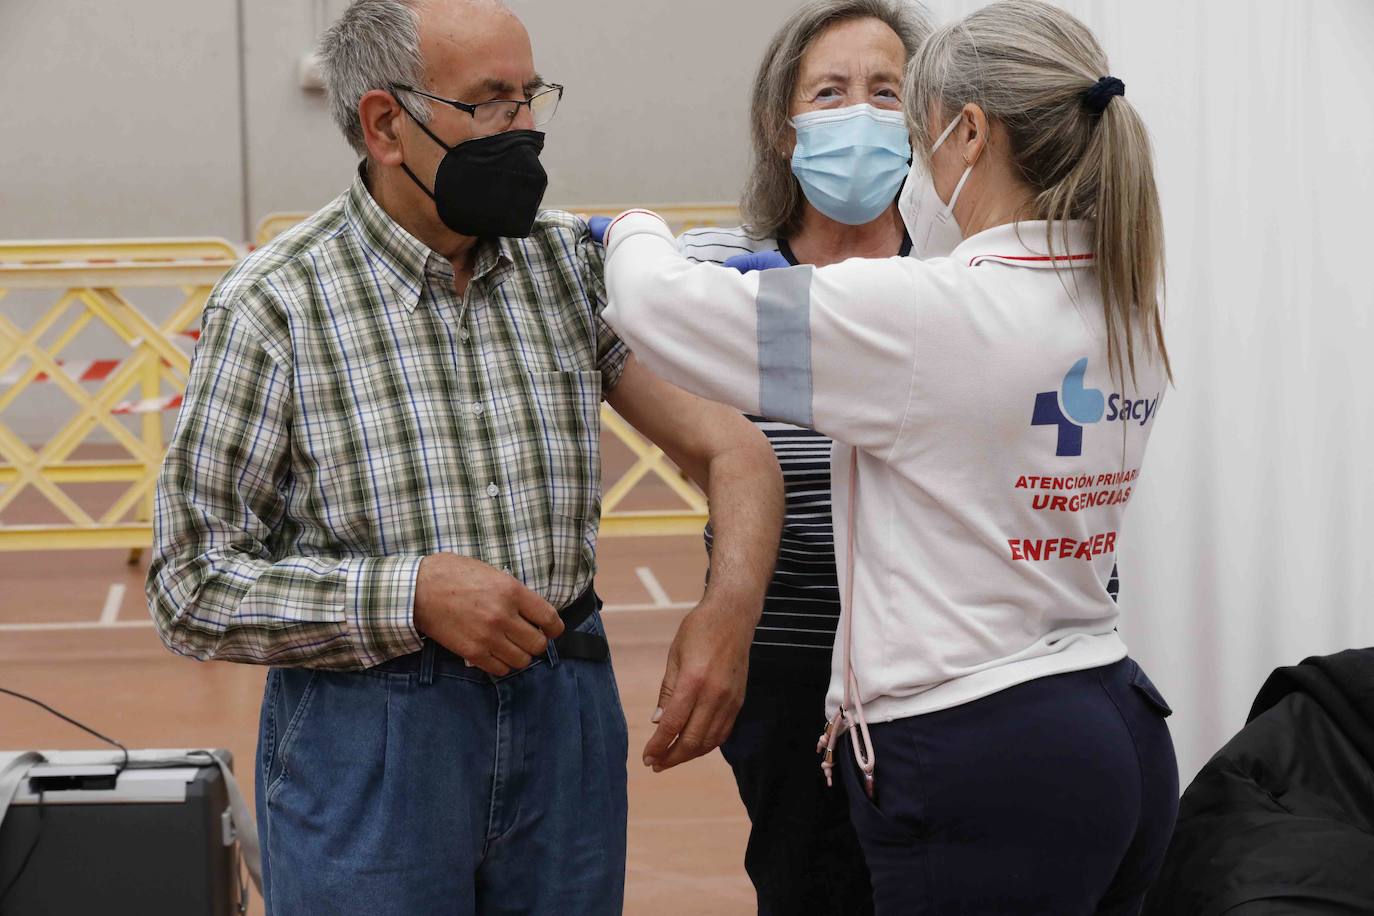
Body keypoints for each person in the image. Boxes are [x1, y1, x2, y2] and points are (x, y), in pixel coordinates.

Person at [144, 0, 783, 913]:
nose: (523, 130)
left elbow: (734, 450)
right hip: (370, 738)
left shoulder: (568, 268)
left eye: (530, 98)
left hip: (563, 709)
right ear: (385, 123)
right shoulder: (275, 306)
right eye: (490, 103)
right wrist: (411, 594)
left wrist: (727, 617)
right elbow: (190, 585)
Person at [599, 1, 1179, 912]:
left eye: (910, 112)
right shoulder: (1116, 292)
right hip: (1107, 713)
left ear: (970, 133)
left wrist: (627, 227)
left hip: (976, 743)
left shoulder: (927, 313)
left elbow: (658, 309)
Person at [675, 3, 929, 913]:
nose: (860, 113)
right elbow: (704, 449)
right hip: (785, 668)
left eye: (886, 92)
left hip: (939, 667)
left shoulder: (961, 275)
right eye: (831, 92)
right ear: (783, 128)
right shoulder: (714, 269)